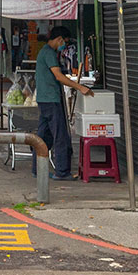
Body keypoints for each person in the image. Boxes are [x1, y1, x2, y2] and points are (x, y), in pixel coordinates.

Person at [35, 26, 93, 181]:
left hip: (44, 99)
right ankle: (62, 172)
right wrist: (80, 87)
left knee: (43, 137)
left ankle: (37, 169)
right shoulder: (49, 53)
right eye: (64, 43)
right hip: (51, 100)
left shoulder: (45, 52)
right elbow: (59, 76)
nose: (64, 46)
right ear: (59, 39)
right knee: (60, 136)